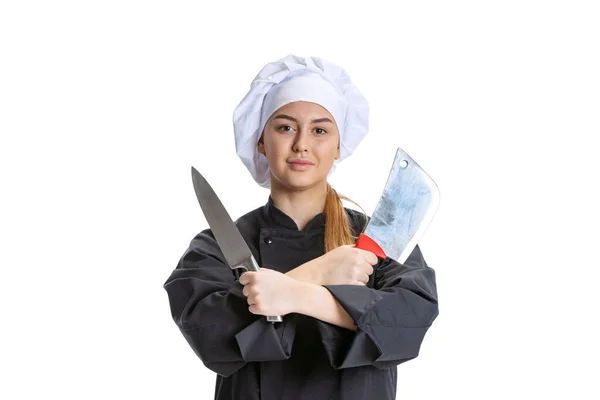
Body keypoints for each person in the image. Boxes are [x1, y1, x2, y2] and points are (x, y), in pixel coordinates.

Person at [163, 54, 439, 400]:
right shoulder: (217, 245)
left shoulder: (380, 238)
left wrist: (296, 295)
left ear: (340, 145)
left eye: (320, 130)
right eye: (285, 127)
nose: (301, 144)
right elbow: (210, 333)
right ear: (261, 141)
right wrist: (317, 272)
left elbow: (407, 323)